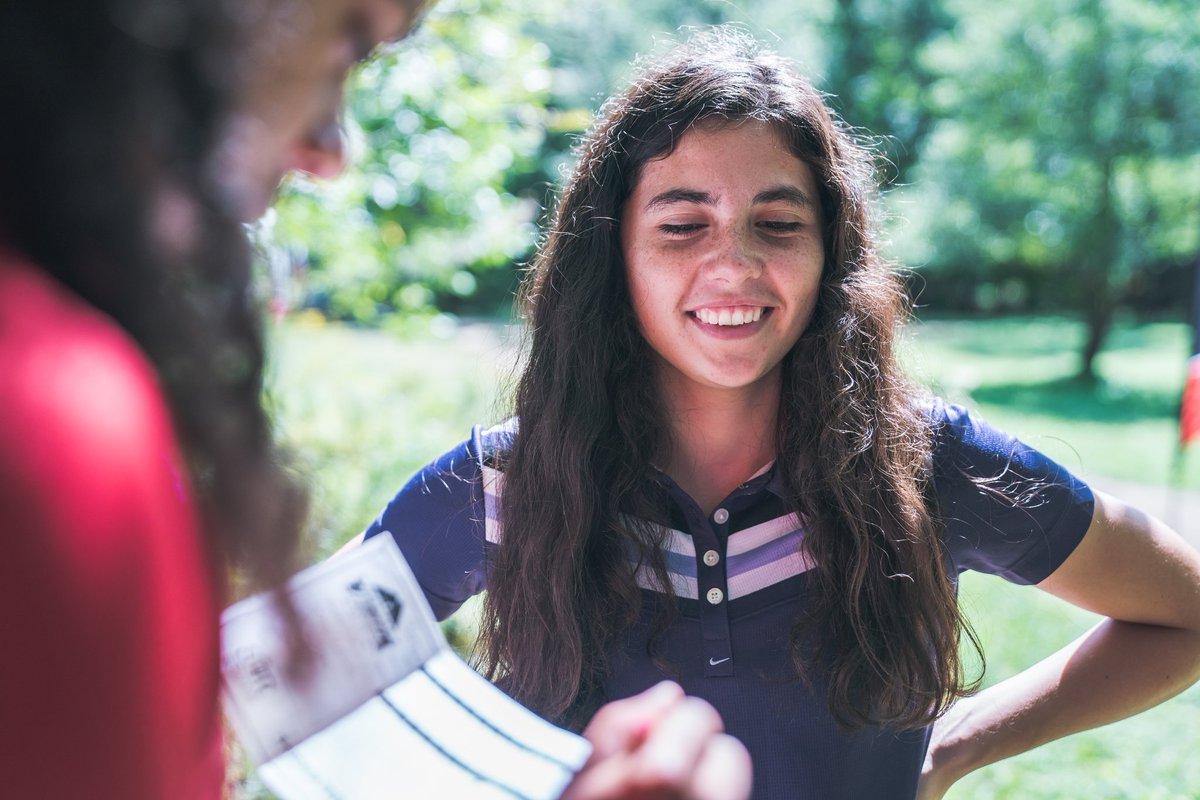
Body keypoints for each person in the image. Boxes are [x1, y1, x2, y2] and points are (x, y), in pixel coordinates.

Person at [355, 27, 1200, 800]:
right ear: (611, 255)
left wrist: (951, 749)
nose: (736, 263)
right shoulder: (504, 486)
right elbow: (293, 679)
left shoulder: (926, 463)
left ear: (832, 248)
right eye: (684, 224)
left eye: (779, 222)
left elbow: (1183, 611)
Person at [0, 2, 751, 799]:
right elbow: (290, 667)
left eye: (779, 223)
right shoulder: (52, 420)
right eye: (348, 47)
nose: (331, 152)